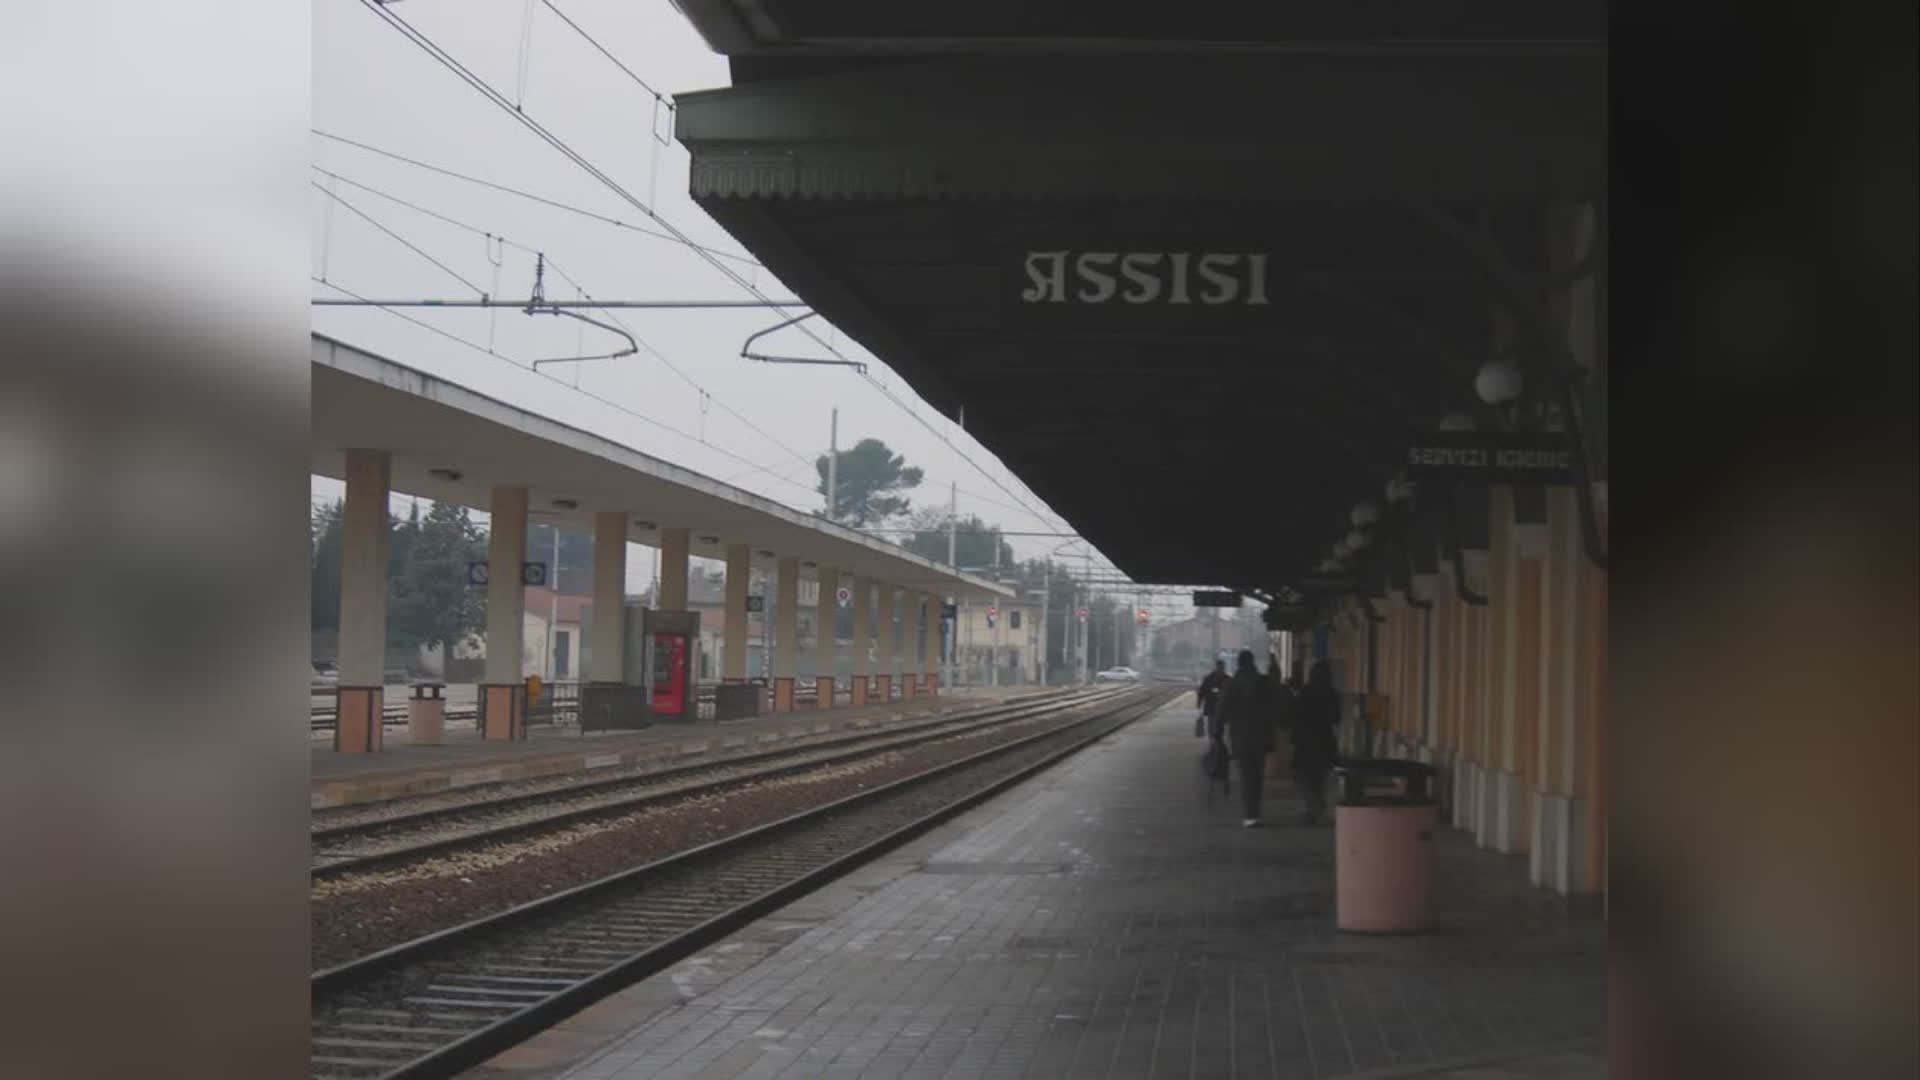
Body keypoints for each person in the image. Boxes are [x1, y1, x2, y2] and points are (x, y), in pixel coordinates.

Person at [1218, 650, 1272, 826]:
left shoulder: (1231, 684)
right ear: (1253, 662)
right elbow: (1276, 707)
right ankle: (1254, 811)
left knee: (1246, 775)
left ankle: (1250, 815)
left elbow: (1222, 712)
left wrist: (1217, 733)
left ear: (1239, 664)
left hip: (1240, 736)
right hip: (1262, 736)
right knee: (1257, 775)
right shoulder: (1264, 682)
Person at [1291, 660, 1341, 825]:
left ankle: (1314, 808)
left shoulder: (1306, 692)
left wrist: (1294, 737)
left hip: (1306, 741)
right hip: (1324, 740)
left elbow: (1297, 716)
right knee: (1319, 777)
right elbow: (1336, 718)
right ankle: (1314, 810)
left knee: (1304, 776)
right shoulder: (1331, 693)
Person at [1195, 659, 1228, 738]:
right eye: (1219, 667)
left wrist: (1199, 702)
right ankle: (1214, 744)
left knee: (1218, 728)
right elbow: (1202, 691)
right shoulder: (1210, 678)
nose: (1220, 669)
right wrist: (1199, 702)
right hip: (1213, 708)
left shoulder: (1225, 679)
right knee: (1213, 728)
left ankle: (1215, 745)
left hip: (1220, 708)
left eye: (1221, 668)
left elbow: (1201, 692)